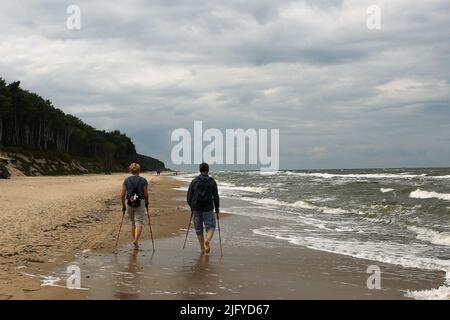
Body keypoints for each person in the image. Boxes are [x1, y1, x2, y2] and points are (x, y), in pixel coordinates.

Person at [187, 162, 220, 255]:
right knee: (211, 226)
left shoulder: (194, 181)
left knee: (198, 229)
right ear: (208, 170)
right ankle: (207, 240)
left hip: (197, 208)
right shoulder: (212, 181)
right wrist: (217, 208)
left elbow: (189, 196)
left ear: (200, 170)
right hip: (208, 208)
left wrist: (192, 206)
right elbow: (216, 196)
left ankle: (202, 249)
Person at [121, 163, 149, 250]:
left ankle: (135, 241)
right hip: (140, 202)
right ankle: (136, 240)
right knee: (139, 222)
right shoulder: (143, 180)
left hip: (129, 202)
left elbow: (122, 194)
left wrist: (123, 206)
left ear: (130, 170)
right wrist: (147, 203)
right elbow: (146, 194)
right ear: (139, 170)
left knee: (133, 222)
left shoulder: (126, 180)